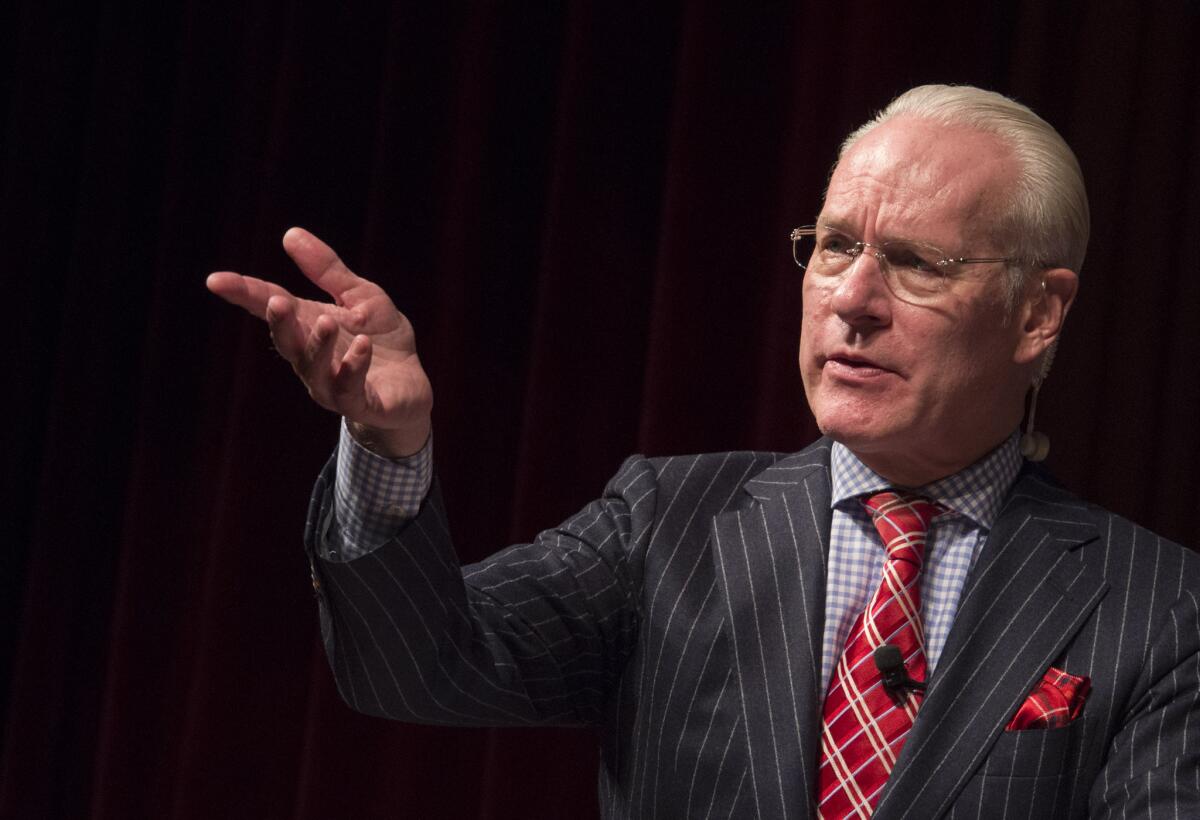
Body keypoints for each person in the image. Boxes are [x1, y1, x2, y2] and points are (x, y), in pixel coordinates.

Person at [207, 85, 1200, 819]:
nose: (852, 297)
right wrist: (389, 447)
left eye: (915, 263)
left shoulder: (1160, 608)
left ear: (1037, 312)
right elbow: (417, 665)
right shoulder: (668, 521)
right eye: (836, 245)